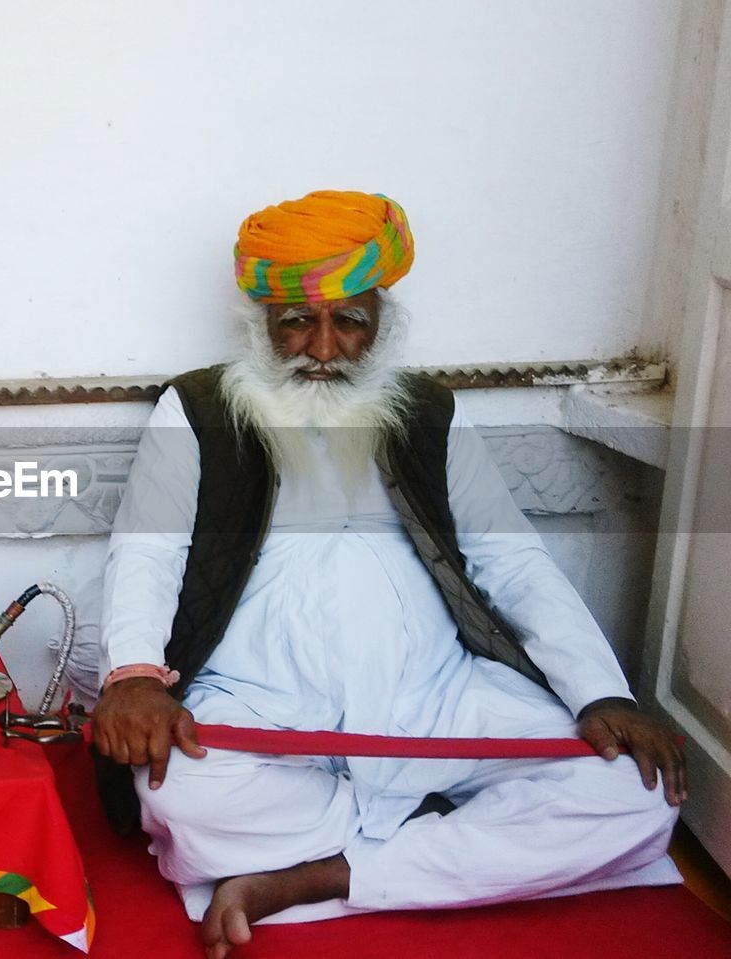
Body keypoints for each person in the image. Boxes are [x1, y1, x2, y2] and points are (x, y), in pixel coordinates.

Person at [91, 191, 685, 959]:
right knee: (182, 793)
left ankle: (312, 876)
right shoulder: (200, 408)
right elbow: (149, 548)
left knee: (632, 794)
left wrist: (602, 692)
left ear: (382, 326)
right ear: (263, 325)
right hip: (262, 707)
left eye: (351, 322)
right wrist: (134, 674)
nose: (325, 348)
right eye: (299, 321)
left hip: (435, 699)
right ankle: (441, 846)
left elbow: (511, 559)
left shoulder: (430, 412)